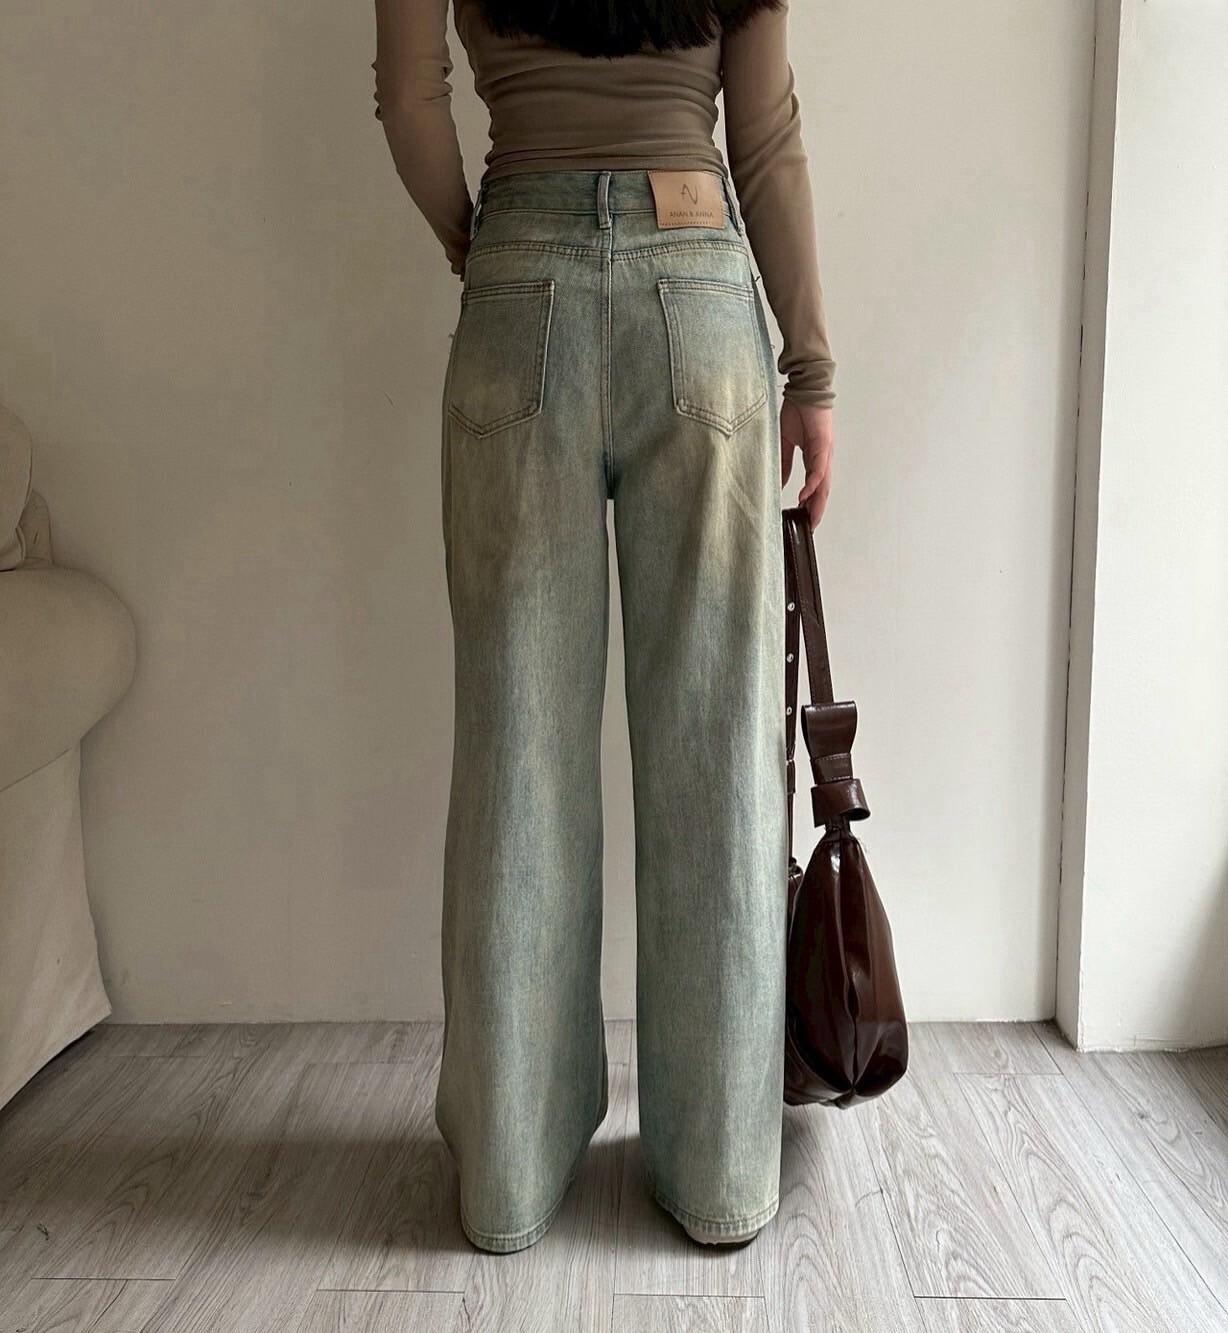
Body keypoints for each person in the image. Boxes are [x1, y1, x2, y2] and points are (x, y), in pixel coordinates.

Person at [371, 0, 838, 1254]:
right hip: (700, 292)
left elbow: (410, 102)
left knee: (517, 748)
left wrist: (480, 238)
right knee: (717, 752)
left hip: (517, 286)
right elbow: (764, 135)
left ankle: (509, 1175)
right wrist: (812, 371)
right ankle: (719, 1167)